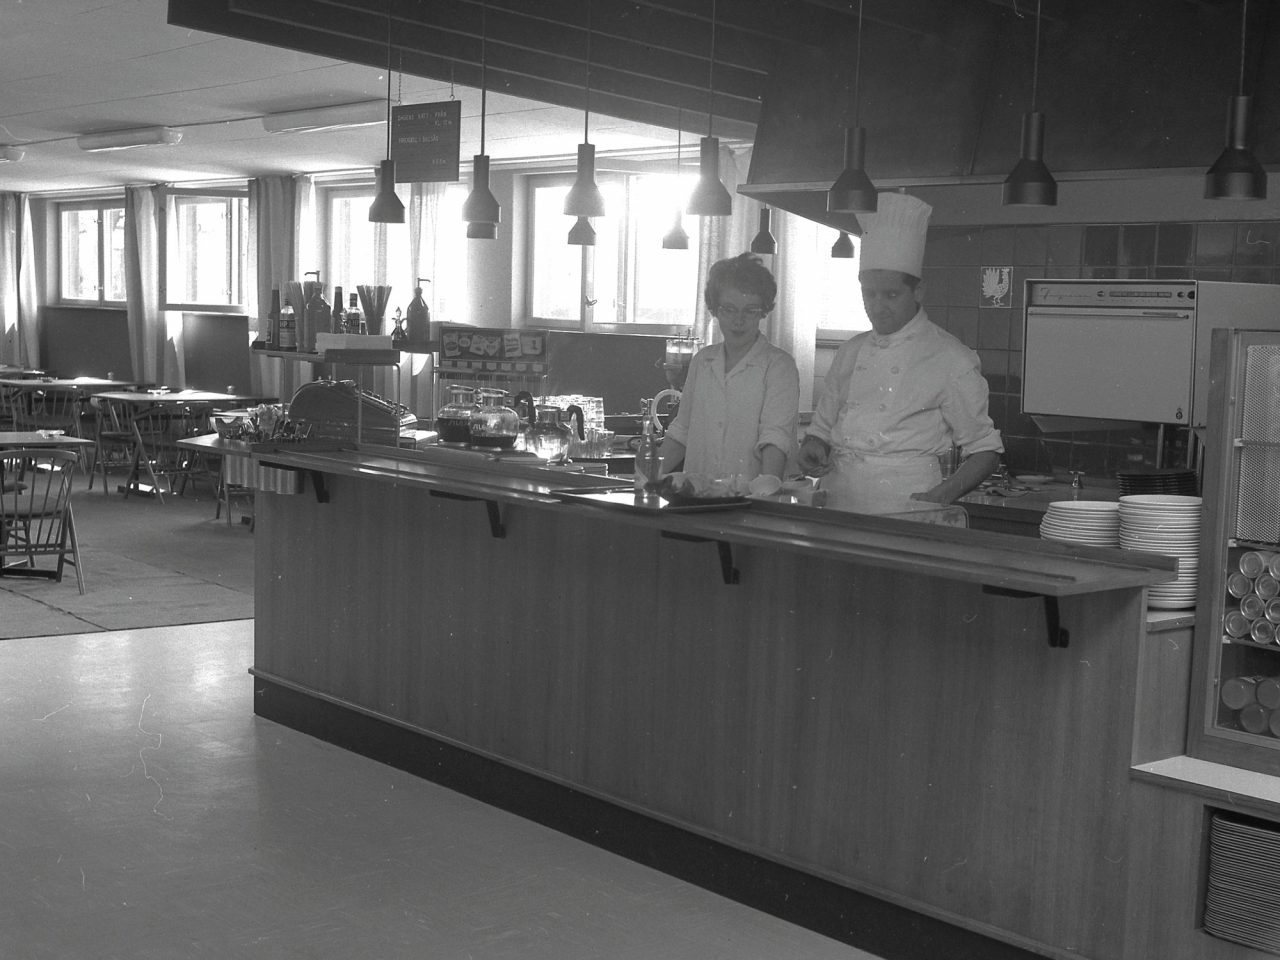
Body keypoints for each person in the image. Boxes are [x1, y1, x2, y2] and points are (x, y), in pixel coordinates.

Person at [798, 192, 1002, 514]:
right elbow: (820, 431)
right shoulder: (850, 351)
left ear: (918, 291)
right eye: (869, 294)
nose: (877, 306)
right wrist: (812, 447)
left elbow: (985, 450)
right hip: (837, 502)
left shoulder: (951, 358)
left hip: (905, 505)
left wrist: (940, 497)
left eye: (891, 295)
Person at [660, 253, 799, 489]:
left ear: (764, 311)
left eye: (750, 310)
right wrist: (646, 478)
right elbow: (682, 431)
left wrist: (766, 492)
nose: (738, 320)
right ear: (715, 309)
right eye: (729, 309)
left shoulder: (779, 366)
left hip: (749, 498)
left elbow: (775, 438)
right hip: (695, 497)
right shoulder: (702, 361)